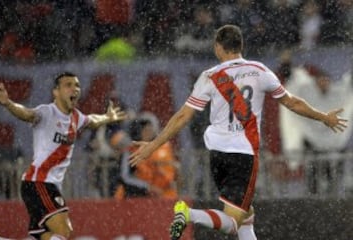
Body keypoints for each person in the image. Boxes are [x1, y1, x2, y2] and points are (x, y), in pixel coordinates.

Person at [129, 25, 348, 240]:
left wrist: (153, 144)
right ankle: (188, 214)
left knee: (246, 214)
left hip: (216, 155)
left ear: (218, 48)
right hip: (243, 154)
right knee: (232, 222)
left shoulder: (209, 76)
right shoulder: (259, 71)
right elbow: (292, 103)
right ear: (240, 45)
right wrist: (324, 117)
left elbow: (182, 117)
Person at [0, 72, 126, 240]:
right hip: (39, 182)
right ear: (56, 92)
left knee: (43, 235)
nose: (75, 89)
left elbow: (92, 120)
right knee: (64, 231)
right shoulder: (47, 112)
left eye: (77, 85)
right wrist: (8, 104)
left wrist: (107, 117)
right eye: (68, 85)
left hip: (49, 185)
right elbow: (27, 114)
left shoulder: (76, 117)